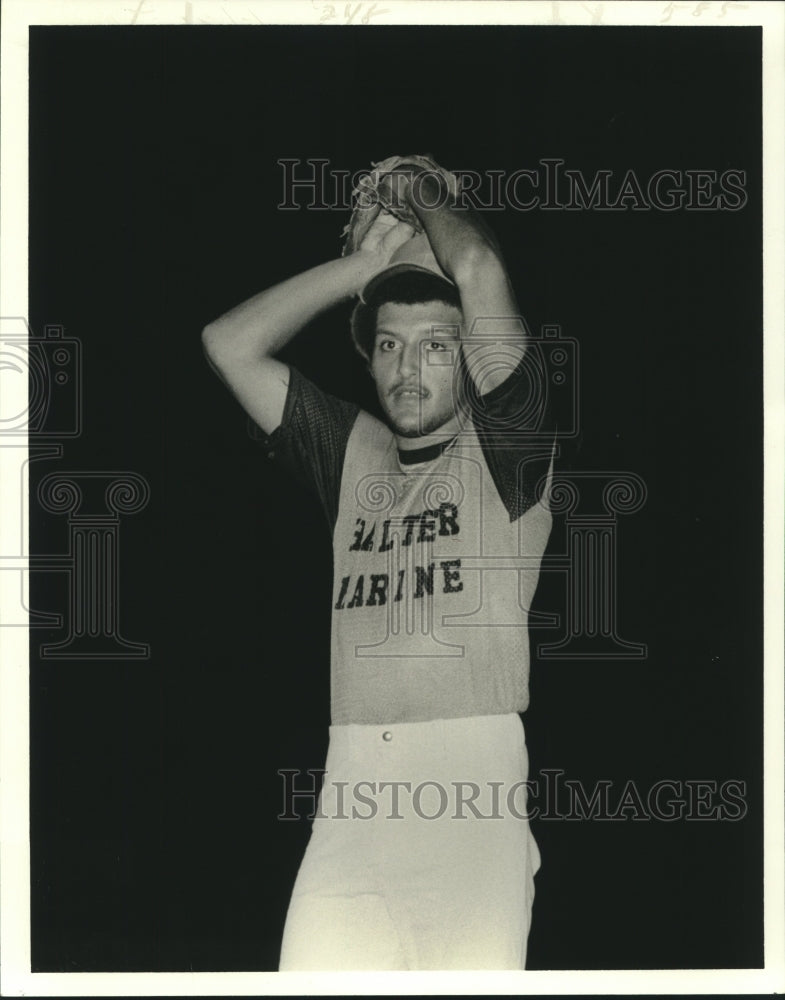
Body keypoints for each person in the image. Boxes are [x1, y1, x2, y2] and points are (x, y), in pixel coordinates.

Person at [202, 157, 556, 970]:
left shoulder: (510, 441)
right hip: (352, 789)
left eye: (438, 346)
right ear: (367, 356)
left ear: (469, 357)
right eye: (390, 345)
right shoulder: (351, 452)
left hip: (469, 788)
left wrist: (419, 196)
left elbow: (480, 267)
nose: (408, 365)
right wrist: (368, 267)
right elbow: (228, 344)